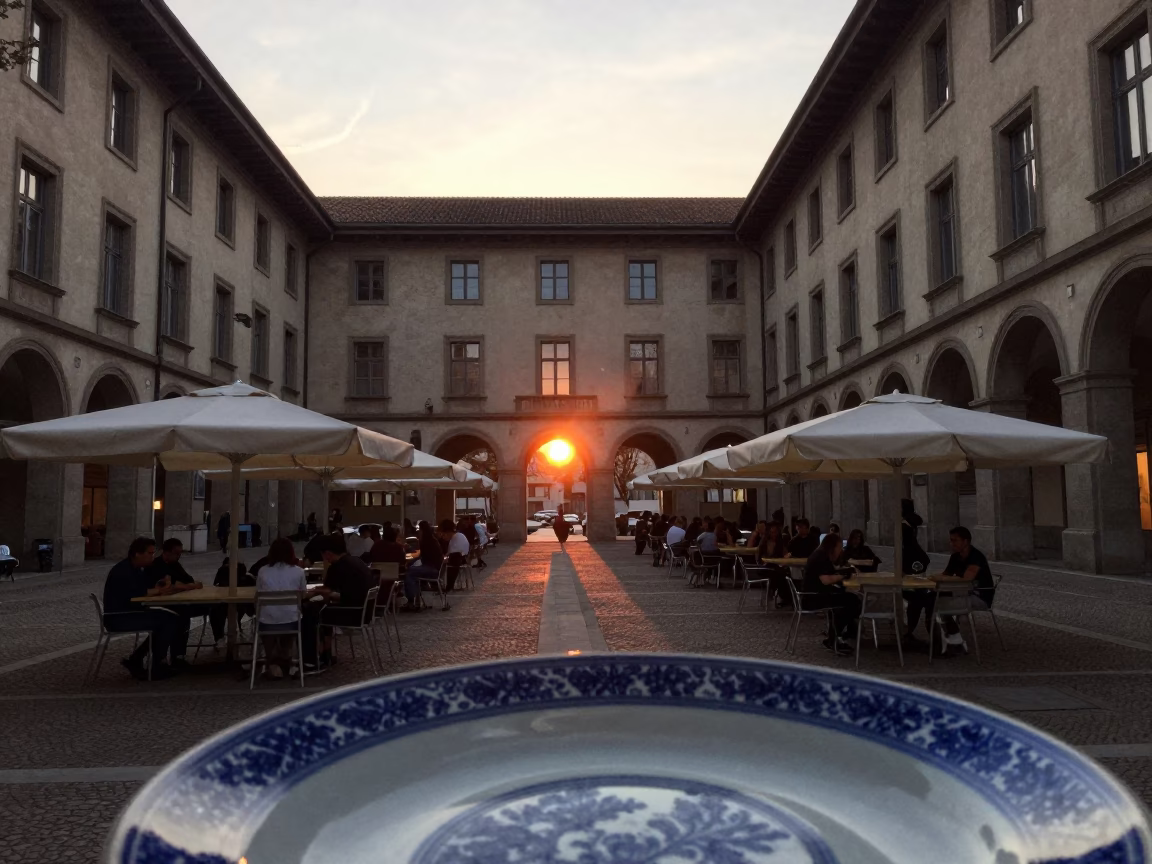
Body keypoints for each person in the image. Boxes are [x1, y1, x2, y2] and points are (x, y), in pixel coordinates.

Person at [101, 537, 185, 680]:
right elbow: (138, 593)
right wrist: (157, 591)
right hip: (119, 617)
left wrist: (158, 587)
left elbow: (145, 589)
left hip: (129, 612)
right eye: (150, 553)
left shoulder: (135, 568)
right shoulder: (123, 570)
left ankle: (138, 658)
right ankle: (156, 666)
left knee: (170, 618)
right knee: (168, 621)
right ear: (137, 554)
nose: (152, 557)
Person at [911, 526, 995, 657]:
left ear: (965, 541)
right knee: (926, 599)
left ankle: (943, 643)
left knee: (932, 604)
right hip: (960, 592)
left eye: (955, 540)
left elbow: (966, 580)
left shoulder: (976, 557)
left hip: (978, 596)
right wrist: (931, 579)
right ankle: (952, 641)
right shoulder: (955, 556)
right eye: (951, 540)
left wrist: (942, 579)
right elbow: (946, 575)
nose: (951, 543)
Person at [303, 533, 376, 668]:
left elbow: (327, 590)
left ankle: (311, 658)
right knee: (320, 610)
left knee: (311, 613)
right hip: (364, 612)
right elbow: (344, 592)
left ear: (328, 553)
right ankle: (326, 652)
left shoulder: (337, 566)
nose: (324, 559)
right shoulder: (356, 561)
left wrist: (311, 592)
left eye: (324, 556)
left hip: (351, 613)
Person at [254, 537, 308, 679]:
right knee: (289, 615)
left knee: (267, 618)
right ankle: (285, 655)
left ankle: (271, 660)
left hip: (267, 623)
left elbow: (258, 594)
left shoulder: (263, 571)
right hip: (291, 622)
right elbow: (303, 595)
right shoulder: (299, 572)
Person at [146, 538, 206, 665]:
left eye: (180, 553)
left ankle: (178, 655)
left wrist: (184, 586)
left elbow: (188, 580)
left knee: (191, 611)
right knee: (179, 616)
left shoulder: (175, 564)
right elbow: (170, 586)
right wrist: (186, 586)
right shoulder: (157, 565)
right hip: (159, 606)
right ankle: (168, 657)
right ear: (166, 552)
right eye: (176, 553)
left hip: (175, 602)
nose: (179, 556)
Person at [801, 533, 861, 652]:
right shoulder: (821, 557)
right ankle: (835, 636)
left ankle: (836, 634)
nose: (840, 550)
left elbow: (829, 573)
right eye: (839, 547)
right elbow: (826, 580)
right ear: (833, 546)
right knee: (853, 601)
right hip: (814, 598)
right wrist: (843, 575)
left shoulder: (820, 554)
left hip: (813, 595)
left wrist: (842, 572)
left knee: (848, 599)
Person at [210, 558, 256, 643]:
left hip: (243, 604)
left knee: (216, 610)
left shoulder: (248, 579)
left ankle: (220, 639)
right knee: (216, 610)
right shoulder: (224, 574)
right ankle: (220, 638)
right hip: (227, 604)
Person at [403, 522, 445, 610]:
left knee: (410, 573)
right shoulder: (432, 539)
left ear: (422, 530)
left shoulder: (426, 541)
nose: (418, 532)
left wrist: (409, 563)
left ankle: (412, 600)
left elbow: (421, 556)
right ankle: (416, 600)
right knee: (413, 572)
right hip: (436, 568)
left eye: (419, 530)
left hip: (432, 569)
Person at [441, 518, 471, 590]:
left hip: (459, 559)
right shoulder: (458, 536)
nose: (443, 537)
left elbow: (452, 553)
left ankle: (448, 585)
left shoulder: (456, 537)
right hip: (462, 558)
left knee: (445, 563)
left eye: (444, 535)